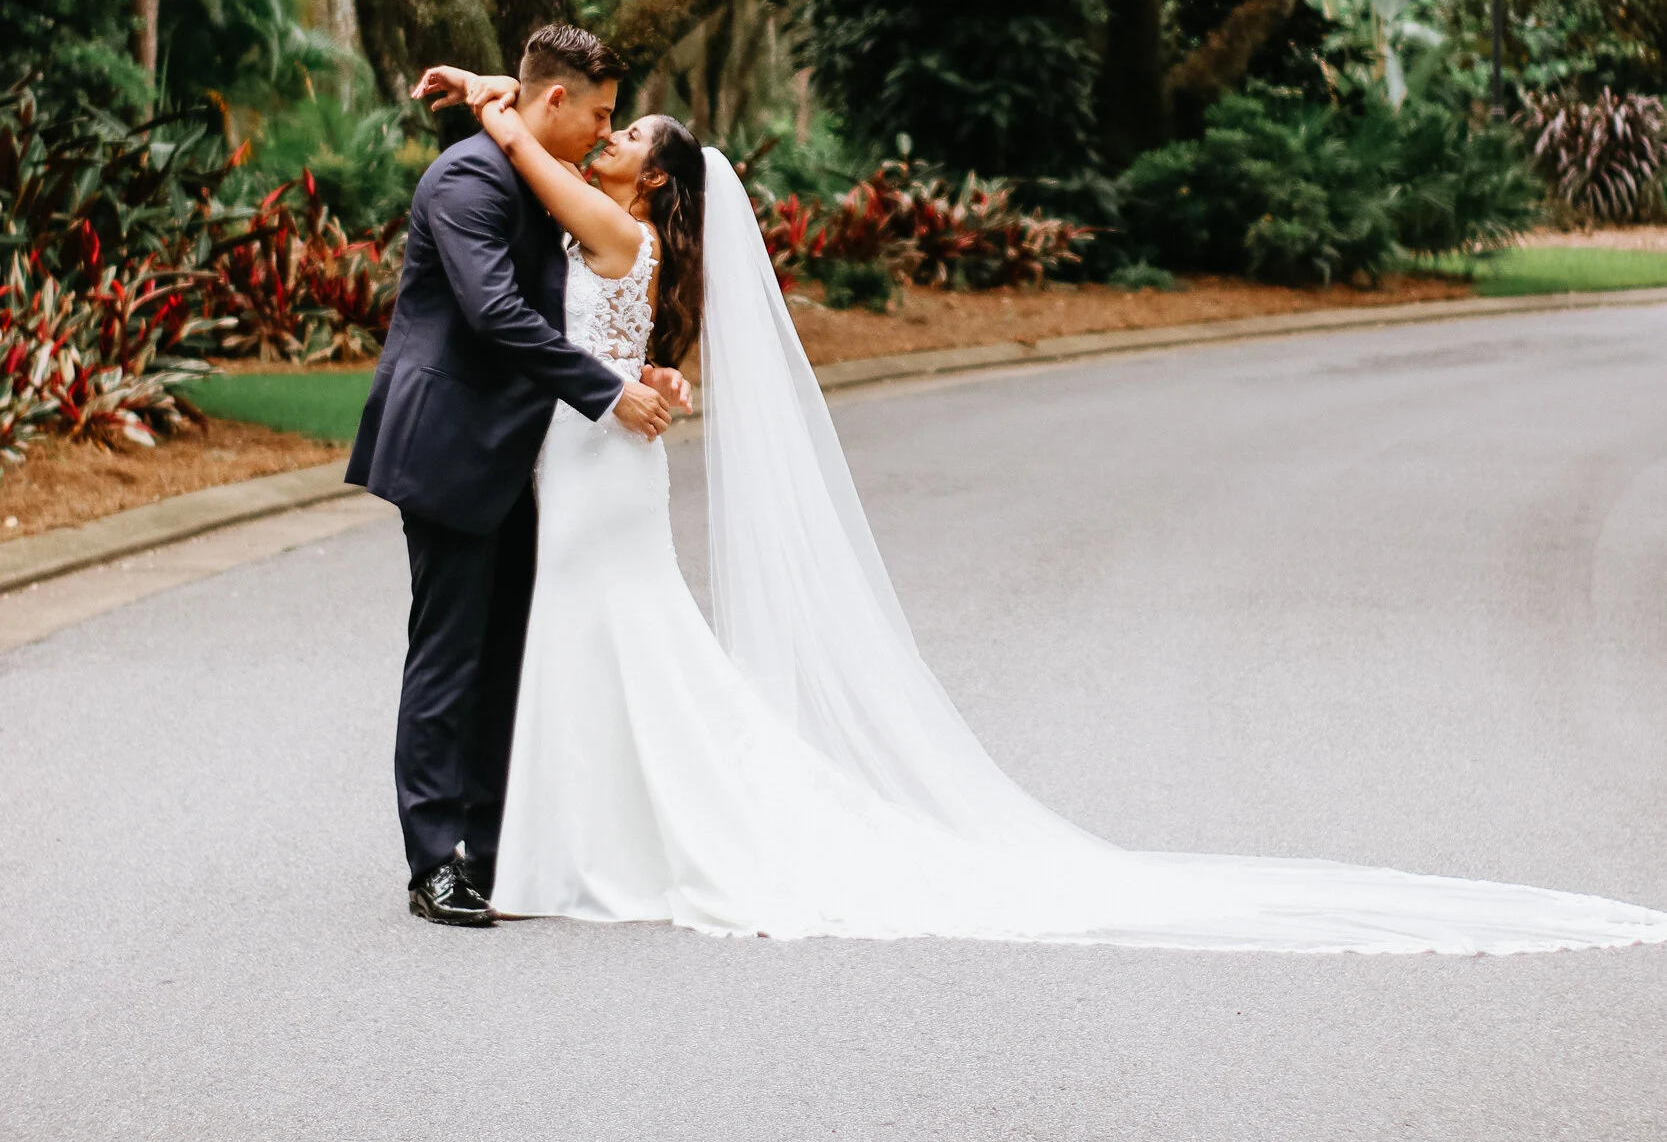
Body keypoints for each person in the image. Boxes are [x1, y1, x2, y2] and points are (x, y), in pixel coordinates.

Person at [400, 61, 1667, 956]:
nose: (605, 142)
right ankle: (555, 843)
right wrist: (503, 108)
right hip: (587, 458)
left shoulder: (614, 232)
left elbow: (531, 171)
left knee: (610, 634)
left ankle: (583, 848)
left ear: (654, 179)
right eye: (607, 127)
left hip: (598, 463)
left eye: (623, 137)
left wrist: (491, 104)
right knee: (597, 639)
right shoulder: (616, 235)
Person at [346, 24, 690, 927]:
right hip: (453, 445)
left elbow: (544, 104)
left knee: (506, 657)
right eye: (602, 115)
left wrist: (636, 369)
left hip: (527, 462)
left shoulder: (543, 164)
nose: (604, 133)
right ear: (553, 106)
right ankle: (433, 864)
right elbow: (495, 314)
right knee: (449, 658)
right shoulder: (465, 180)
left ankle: (494, 849)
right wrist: (608, 393)